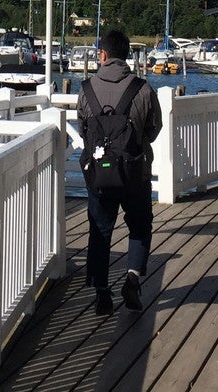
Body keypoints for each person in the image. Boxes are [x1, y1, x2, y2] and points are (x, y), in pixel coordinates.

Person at [77, 27, 162, 315]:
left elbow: (83, 129)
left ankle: (102, 293)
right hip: (134, 172)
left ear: (102, 55)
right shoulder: (143, 89)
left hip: (99, 175)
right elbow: (154, 129)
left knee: (100, 230)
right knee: (139, 226)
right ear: (126, 56)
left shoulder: (86, 89)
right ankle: (132, 278)